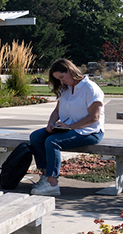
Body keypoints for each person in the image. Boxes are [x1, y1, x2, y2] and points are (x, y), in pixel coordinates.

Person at [27, 59, 105, 196]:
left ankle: (52, 184)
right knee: (36, 136)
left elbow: (94, 117)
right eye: (58, 79)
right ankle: (45, 177)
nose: (61, 81)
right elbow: (57, 111)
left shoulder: (91, 89)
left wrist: (70, 127)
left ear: (70, 70)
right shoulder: (66, 89)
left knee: (52, 141)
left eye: (62, 77)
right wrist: (51, 123)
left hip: (90, 131)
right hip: (68, 129)